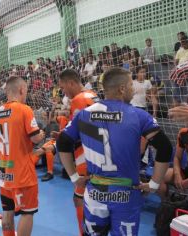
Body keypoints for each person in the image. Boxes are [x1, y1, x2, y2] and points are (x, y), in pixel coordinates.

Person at [58, 67, 172, 235]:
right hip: (126, 195)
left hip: (95, 194)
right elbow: (165, 147)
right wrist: (154, 184)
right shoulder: (138, 115)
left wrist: (74, 177)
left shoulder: (84, 114)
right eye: (131, 86)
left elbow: (62, 143)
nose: (133, 91)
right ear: (122, 89)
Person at [0, 76, 45, 236]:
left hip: (4, 171)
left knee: (7, 211)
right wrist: (42, 134)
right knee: (27, 212)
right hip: (22, 173)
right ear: (22, 89)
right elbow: (35, 138)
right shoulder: (24, 109)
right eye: (26, 90)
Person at [58, 69, 99, 235]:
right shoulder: (92, 95)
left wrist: (62, 137)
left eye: (63, 87)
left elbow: (78, 133)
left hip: (85, 157)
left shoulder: (78, 100)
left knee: (80, 199)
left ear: (71, 83)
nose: (63, 92)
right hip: (99, 155)